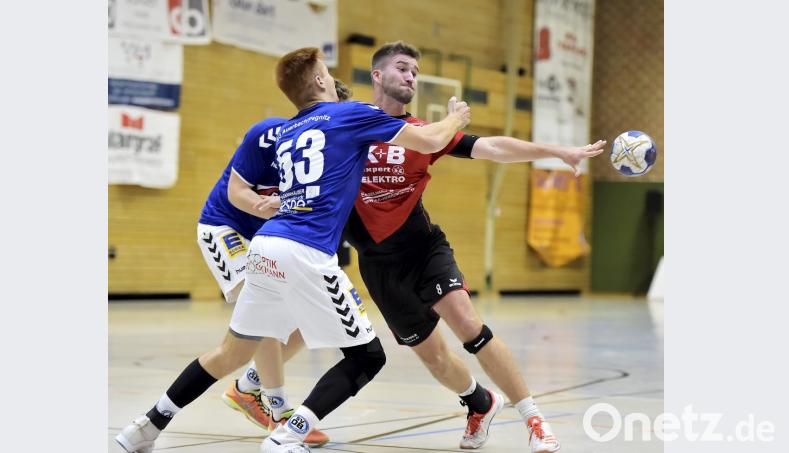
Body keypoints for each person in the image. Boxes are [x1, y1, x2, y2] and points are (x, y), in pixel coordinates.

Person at [115, 46, 470, 453]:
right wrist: (455, 119)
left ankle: (146, 426)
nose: (333, 78)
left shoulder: (288, 131)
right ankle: (287, 434)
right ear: (320, 81)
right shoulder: (350, 115)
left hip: (266, 245)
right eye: (327, 72)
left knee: (233, 352)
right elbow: (429, 139)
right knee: (367, 357)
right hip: (305, 249)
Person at [346, 41, 605, 452]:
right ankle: (479, 403)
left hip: (423, 251)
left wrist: (556, 151)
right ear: (377, 75)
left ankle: (534, 420)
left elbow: (494, 147)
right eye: (402, 67)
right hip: (379, 265)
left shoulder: (424, 133)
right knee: (434, 359)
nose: (411, 76)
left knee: (470, 327)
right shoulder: (349, 125)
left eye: (415, 70)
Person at [195, 82, 355, 448]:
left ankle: (247, 387)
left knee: (306, 319)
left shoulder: (335, 160)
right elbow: (237, 192)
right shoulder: (274, 134)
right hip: (226, 227)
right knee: (262, 311)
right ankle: (279, 411)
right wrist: (266, 208)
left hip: (269, 240)